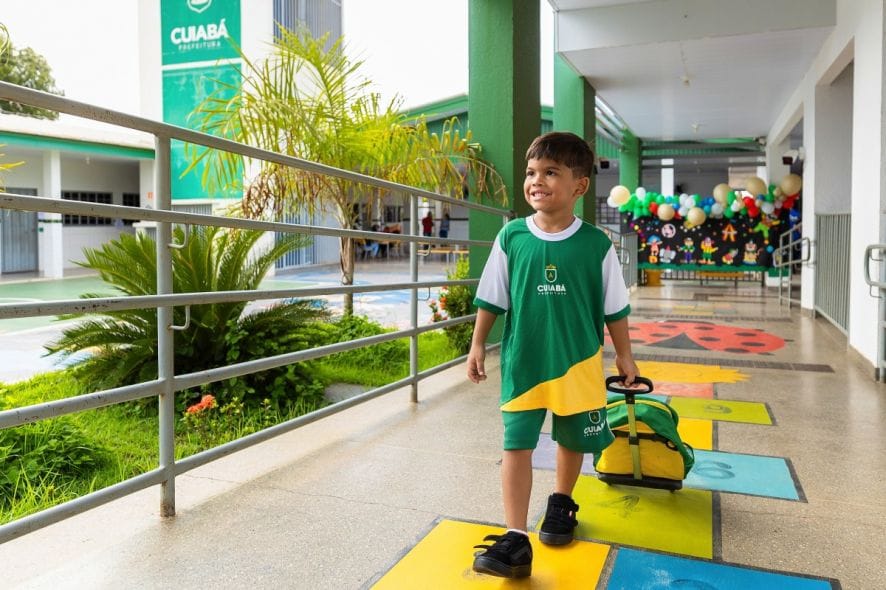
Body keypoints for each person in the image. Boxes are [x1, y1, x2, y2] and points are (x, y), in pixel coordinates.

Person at [467, 131, 639, 579]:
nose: (536, 181)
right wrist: (477, 345)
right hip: (525, 362)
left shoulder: (597, 245)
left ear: (580, 186)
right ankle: (515, 537)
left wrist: (625, 356)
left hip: (579, 361)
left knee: (572, 439)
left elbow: (614, 307)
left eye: (550, 172)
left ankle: (561, 502)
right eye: (531, 173)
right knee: (516, 444)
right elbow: (492, 297)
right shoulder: (512, 237)